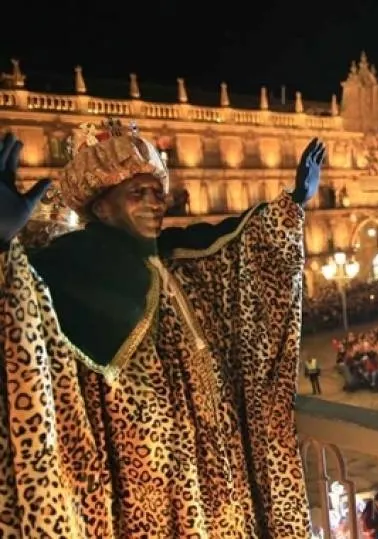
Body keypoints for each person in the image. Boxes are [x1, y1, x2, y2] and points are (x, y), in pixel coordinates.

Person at [0, 124, 325, 538]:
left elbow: (233, 237)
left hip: (214, 464)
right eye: (138, 193)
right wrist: (3, 246)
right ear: (101, 209)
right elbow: (24, 319)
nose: (156, 204)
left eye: (158, 193)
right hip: (147, 478)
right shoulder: (73, 262)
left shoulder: (172, 252)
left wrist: (293, 203)